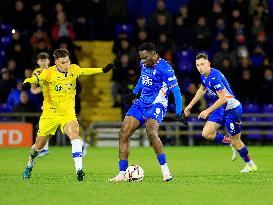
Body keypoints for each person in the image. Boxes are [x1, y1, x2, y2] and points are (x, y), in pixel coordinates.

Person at [22, 48, 115, 181]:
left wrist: (102, 69)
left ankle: (79, 169)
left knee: (74, 135)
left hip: (68, 114)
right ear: (56, 63)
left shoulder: (73, 69)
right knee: (38, 146)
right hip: (50, 114)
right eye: (63, 62)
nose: (66, 65)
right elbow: (34, 78)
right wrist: (26, 83)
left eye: (67, 61)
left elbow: (85, 71)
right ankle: (30, 163)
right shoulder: (48, 73)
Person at [109, 42, 188, 182]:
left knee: (151, 131)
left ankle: (166, 172)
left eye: (145, 58)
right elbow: (142, 79)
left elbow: (176, 91)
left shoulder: (166, 69)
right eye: (141, 58)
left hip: (156, 104)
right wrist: (134, 93)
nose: (143, 61)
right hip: (141, 103)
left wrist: (178, 111)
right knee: (123, 133)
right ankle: (122, 173)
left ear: (154, 54)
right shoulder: (143, 64)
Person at [184, 53, 257, 173]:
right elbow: (202, 89)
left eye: (202, 64)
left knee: (237, 140)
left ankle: (250, 165)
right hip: (221, 108)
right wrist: (190, 105)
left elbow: (223, 98)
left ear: (208, 64)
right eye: (197, 65)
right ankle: (230, 143)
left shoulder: (215, 77)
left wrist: (207, 110)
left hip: (232, 109)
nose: (200, 67)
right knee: (207, 133)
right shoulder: (204, 76)